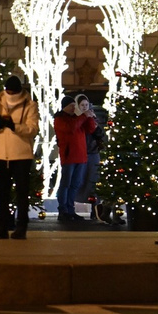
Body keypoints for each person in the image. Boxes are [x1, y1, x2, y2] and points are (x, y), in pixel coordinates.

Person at [0, 73, 38, 239]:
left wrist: (14, 126)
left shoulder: (30, 105)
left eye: (12, 92)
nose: (10, 95)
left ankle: (21, 227)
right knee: (2, 193)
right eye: (7, 92)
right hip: (2, 155)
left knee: (22, 193)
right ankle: (1, 227)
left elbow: (32, 129)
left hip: (21, 155)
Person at [53, 94, 100, 225]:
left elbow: (90, 129)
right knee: (66, 184)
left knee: (75, 184)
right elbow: (72, 128)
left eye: (75, 106)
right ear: (65, 107)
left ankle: (70, 209)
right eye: (72, 106)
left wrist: (89, 118)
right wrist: (84, 116)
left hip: (81, 156)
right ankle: (63, 210)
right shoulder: (60, 119)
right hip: (69, 156)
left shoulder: (77, 118)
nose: (74, 108)